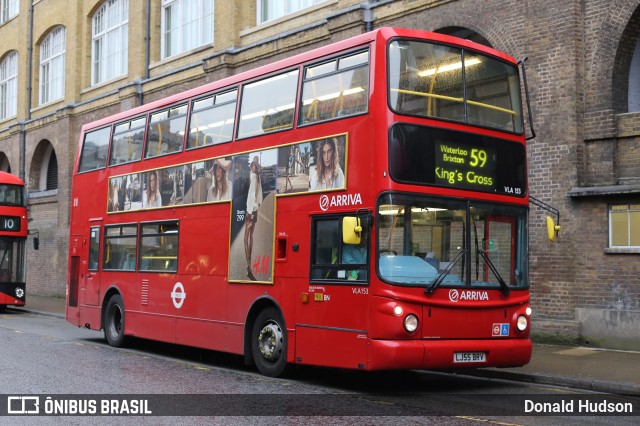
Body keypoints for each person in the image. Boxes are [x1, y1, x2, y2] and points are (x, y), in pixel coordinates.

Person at [244, 156, 263, 280]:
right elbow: (260, 196)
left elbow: (251, 196)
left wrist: (250, 212)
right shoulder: (259, 178)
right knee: (251, 236)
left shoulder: (252, 176)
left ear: (254, 167)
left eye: (253, 165)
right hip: (255, 210)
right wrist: (255, 210)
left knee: (246, 237)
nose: (252, 167)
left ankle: (249, 266)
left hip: (251, 209)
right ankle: (250, 266)